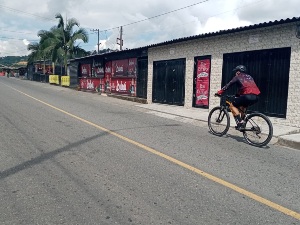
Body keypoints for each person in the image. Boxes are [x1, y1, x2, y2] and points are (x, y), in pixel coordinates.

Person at [216, 65, 260, 130]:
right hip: (256, 97)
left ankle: (240, 122)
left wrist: (219, 92)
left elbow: (228, 85)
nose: (235, 73)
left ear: (238, 72)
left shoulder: (237, 77)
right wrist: (237, 95)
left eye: (236, 71)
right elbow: (245, 88)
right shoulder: (250, 77)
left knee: (232, 106)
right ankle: (242, 124)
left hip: (247, 96)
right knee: (243, 106)